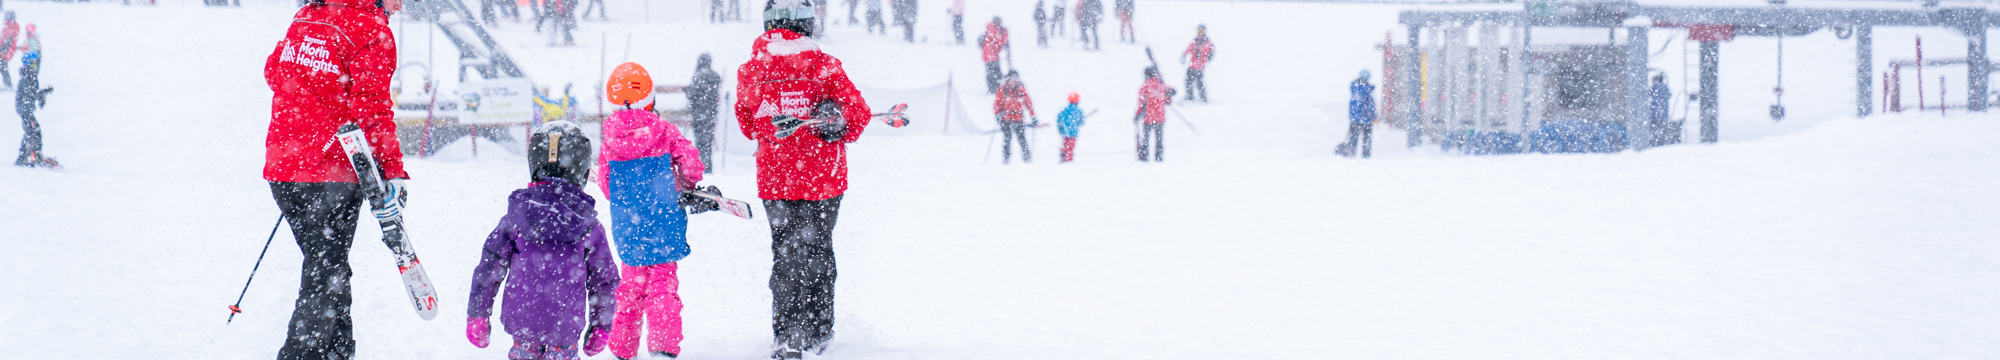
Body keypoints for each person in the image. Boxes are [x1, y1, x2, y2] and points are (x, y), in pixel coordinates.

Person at [262, 0, 407, 357]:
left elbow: (273, 72)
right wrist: (392, 171)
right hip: (330, 175)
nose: (401, 5)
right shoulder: (371, 31)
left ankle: (338, 352)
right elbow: (373, 108)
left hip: (284, 169)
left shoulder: (308, 15)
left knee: (327, 268)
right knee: (325, 276)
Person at [735, 1, 872, 356]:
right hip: (822, 182)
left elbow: (748, 124)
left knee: (785, 254)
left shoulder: (751, 70)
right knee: (819, 252)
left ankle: (787, 332)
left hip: (776, 183)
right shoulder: (825, 67)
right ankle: (818, 329)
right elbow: (858, 116)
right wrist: (836, 117)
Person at [465, 121, 620, 360]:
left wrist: (478, 313)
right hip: (566, 327)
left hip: (523, 324)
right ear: (582, 170)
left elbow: (490, 267)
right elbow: (604, 281)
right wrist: (601, 325)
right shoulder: (588, 225)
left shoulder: (516, 217)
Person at [595, 62, 709, 360]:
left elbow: (607, 187)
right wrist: (685, 182)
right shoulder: (664, 130)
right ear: (650, 98)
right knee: (662, 285)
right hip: (663, 221)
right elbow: (692, 165)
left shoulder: (609, 139)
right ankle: (661, 347)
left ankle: (622, 349)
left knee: (631, 288)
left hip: (628, 226)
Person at [13, 23, 51, 168]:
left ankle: (26, 155)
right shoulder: (29, 76)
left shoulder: (30, 76)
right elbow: (29, 93)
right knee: (33, 131)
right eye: (35, 64)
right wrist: (40, 94)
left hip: (25, 108)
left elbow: (31, 93)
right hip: (25, 109)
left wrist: (42, 93)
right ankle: (32, 154)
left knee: (32, 131)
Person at [688, 53, 723, 172]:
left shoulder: (697, 76)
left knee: (700, 142)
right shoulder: (715, 76)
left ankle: (701, 166)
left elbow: (692, 95)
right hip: (711, 114)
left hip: (699, 114)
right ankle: (708, 166)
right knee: (708, 141)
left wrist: (687, 91)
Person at [993, 71, 1036, 164]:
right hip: (1006, 118)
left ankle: (1027, 158)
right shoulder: (1003, 89)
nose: (1014, 81)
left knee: (1022, 139)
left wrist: (1033, 116)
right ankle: (1006, 159)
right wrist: (997, 114)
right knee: (1007, 139)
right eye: (1012, 79)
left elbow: (1028, 102)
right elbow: (997, 103)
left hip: (1018, 118)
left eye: (1015, 79)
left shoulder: (1021, 89)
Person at [1134, 66, 1171, 162]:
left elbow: (1141, 102)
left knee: (1146, 139)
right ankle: (1159, 157)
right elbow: (1168, 98)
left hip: (1148, 117)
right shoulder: (1161, 85)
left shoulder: (1145, 87)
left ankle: (1144, 156)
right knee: (1159, 140)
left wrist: (1138, 114)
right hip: (1160, 116)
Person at [1338, 70, 1376, 158]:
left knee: (1353, 138)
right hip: (1366, 119)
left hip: (1354, 118)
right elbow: (1369, 105)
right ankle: (1365, 156)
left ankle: (1350, 154)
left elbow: (1355, 105)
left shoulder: (1354, 89)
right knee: (1366, 138)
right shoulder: (1366, 90)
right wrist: (1373, 116)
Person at [1180, 25, 1213, 103]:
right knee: (1188, 81)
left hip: (1200, 66)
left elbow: (1208, 50)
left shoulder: (1206, 42)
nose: (1200, 33)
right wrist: (1184, 54)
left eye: (1201, 31)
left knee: (1199, 82)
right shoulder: (1195, 40)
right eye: (1199, 31)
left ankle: (1203, 98)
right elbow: (1189, 47)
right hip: (1191, 65)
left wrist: (1201, 52)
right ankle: (1189, 96)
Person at [980, 17, 1010, 94]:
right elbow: (1001, 41)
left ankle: (994, 88)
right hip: (991, 55)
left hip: (990, 55)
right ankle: (994, 88)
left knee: (992, 73)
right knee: (995, 73)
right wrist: (1005, 34)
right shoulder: (993, 30)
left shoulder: (991, 29)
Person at [1056, 92, 1085, 163]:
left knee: (1065, 144)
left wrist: (1060, 127)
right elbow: (1081, 122)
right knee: (1071, 147)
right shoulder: (1079, 111)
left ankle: (1063, 154)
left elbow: (1059, 119)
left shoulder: (1064, 110)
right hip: (1074, 132)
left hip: (1064, 131)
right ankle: (1068, 160)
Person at [1, 12, 20, 87]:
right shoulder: (12, 25)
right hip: (6, 49)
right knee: (3, 67)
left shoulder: (11, 26)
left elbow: (9, 39)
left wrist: (2, 48)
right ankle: (8, 83)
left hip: (6, 50)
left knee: (3, 66)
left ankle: (8, 84)